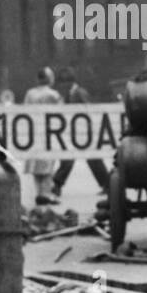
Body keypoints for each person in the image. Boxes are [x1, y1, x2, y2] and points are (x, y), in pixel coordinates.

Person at [51, 67, 111, 197]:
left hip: (84, 132)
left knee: (92, 159)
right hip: (73, 132)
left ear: (69, 82)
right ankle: (57, 184)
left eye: (62, 83)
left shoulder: (79, 92)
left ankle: (107, 184)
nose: (61, 86)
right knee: (69, 158)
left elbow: (88, 110)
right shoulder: (68, 94)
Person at [23, 67, 62, 205]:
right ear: (49, 78)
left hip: (33, 134)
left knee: (36, 166)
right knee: (47, 166)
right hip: (48, 134)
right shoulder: (53, 95)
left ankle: (40, 193)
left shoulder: (30, 94)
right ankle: (45, 193)